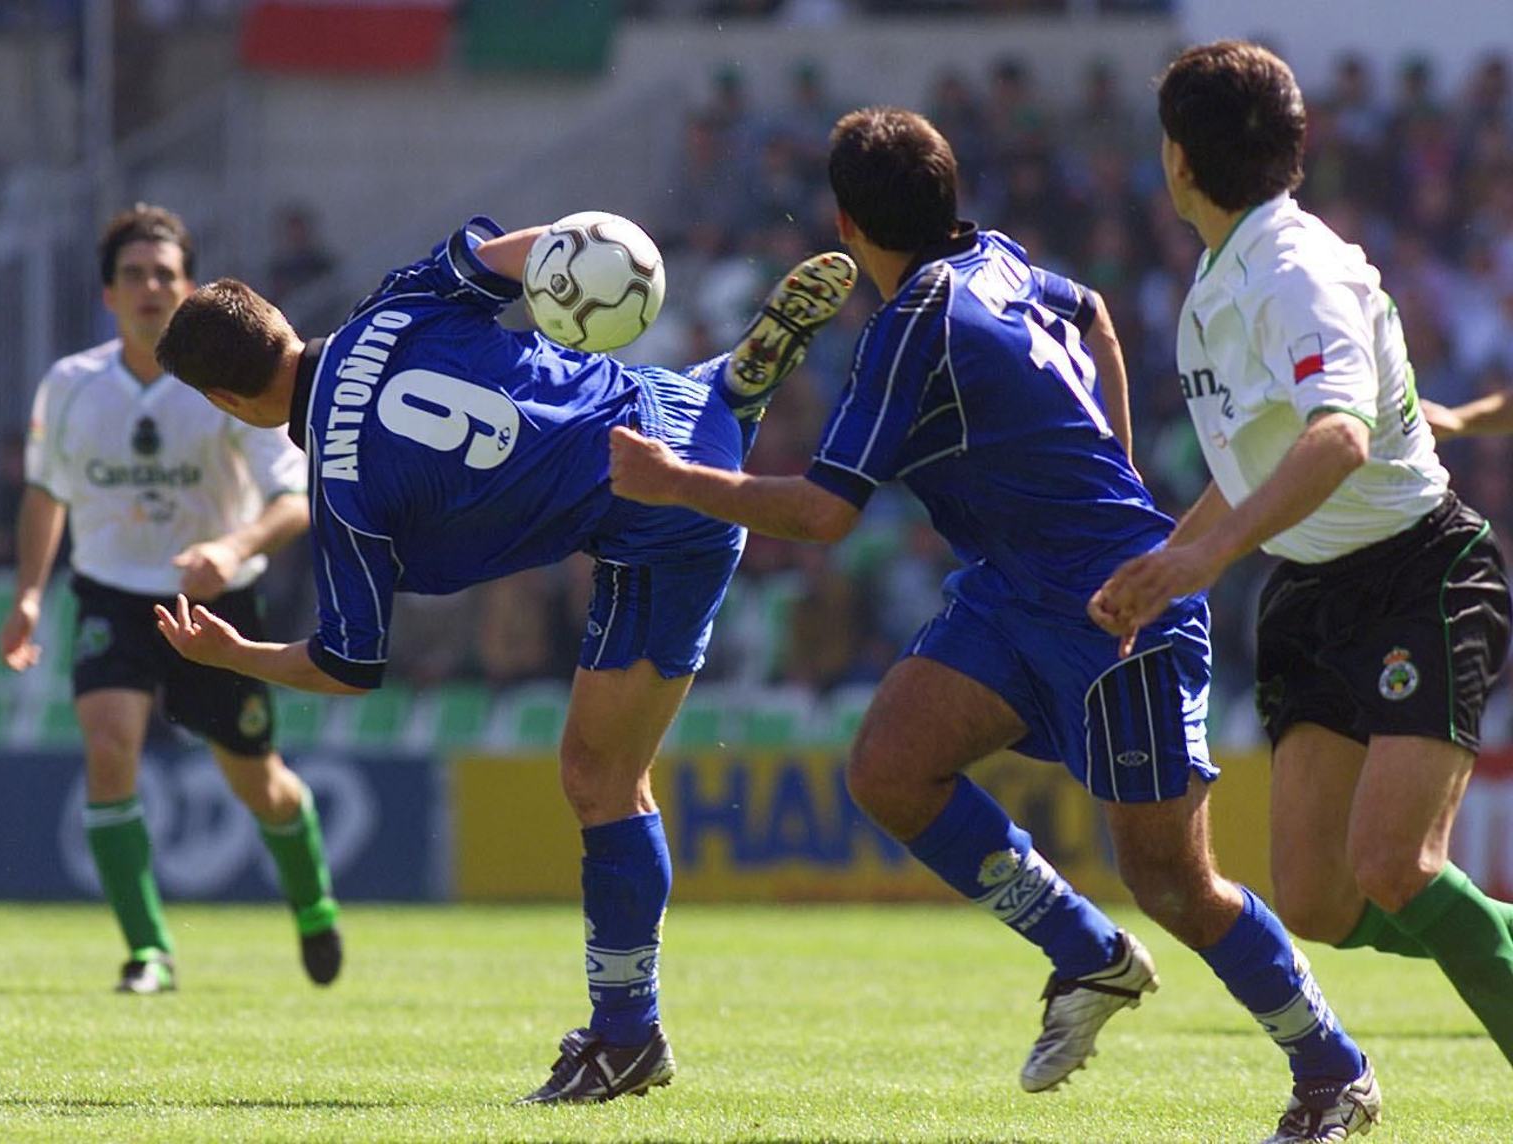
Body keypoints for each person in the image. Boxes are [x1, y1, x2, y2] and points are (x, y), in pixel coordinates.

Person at [608, 106, 1379, 1141]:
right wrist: (1110, 457)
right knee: (889, 767)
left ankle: (1333, 1067)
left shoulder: (906, 332)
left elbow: (824, 515)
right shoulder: (999, 258)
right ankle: (1087, 955)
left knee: (1172, 883)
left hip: (1118, 611)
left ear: (845, 222)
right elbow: (1095, 315)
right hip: (1013, 592)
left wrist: (673, 481)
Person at [148, 214, 858, 1102]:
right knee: (609, 768)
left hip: (664, 516)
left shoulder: (345, 491)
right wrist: (586, 257)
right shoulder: (393, 306)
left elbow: (345, 665)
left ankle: (626, 1035)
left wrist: (236, 654)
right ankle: (729, 392)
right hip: (662, 405)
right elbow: (529, 249)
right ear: (281, 321)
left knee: (599, 781)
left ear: (225, 401)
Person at [1091, 39, 1513, 1086]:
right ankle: (1491, 938)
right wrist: (1166, 560)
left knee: (1395, 866)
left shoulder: (1292, 271)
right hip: (1313, 590)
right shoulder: (1222, 275)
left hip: (1419, 574)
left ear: (1179, 158)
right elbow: (1257, 458)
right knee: (1319, 900)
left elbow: (1337, 440)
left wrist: (1205, 560)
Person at [0, 204, 343, 995]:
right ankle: (148, 951)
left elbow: (293, 500)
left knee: (257, 782)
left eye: (165, 274)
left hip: (215, 609)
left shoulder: (224, 382)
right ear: (108, 294)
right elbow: (45, 494)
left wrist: (231, 549)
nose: (150, 287)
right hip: (112, 595)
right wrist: (27, 594)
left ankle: (313, 902)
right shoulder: (71, 386)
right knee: (108, 745)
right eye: (134, 275)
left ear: (188, 289)